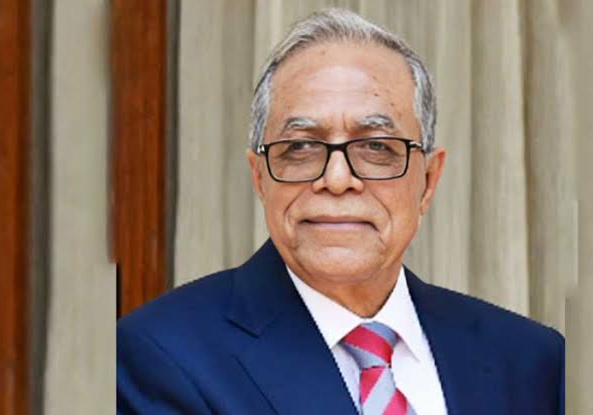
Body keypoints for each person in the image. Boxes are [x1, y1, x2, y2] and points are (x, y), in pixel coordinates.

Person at [117, 8, 564, 415]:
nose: (336, 179)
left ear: (428, 181)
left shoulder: (532, 361)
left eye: (377, 147)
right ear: (260, 178)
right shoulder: (159, 356)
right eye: (300, 147)